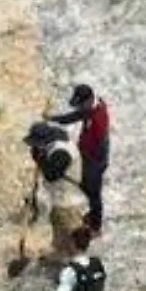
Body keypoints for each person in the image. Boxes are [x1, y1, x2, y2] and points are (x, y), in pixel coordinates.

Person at [46, 84, 111, 235]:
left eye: (80, 105)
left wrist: (94, 166)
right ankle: (92, 216)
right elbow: (75, 116)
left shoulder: (98, 118)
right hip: (86, 155)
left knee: (93, 192)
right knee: (85, 185)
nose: (78, 108)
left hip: (95, 159)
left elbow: (101, 146)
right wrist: (54, 119)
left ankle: (95, 225)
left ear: (88, 102)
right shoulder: (90, 109)